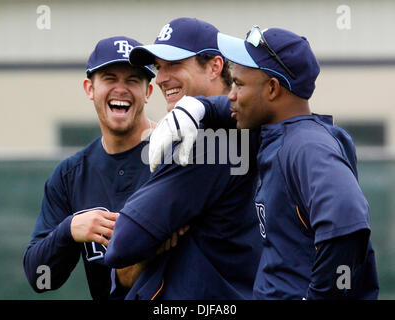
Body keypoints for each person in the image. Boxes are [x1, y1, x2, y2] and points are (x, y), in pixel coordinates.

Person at [147, 26, 380, 299]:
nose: (231, 94)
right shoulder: (281, 133)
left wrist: (328, 294)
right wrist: (198, 106)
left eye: (240, 84)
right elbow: (231, 108)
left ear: (271, 88)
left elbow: (347, 222)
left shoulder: (306, 146)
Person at [103, 17, 263, 300]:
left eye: (174, 63)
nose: (162, 77)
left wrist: (147, 240)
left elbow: (123, 244)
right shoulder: (257, 125)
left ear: (215, 66)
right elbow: (124, 267)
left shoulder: (205, 140)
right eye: (158, 67)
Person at [23, 36, 182, 300]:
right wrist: (70, 229)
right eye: (109, 78)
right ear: (89, 89)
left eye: (133, 80)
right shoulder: (69, 175)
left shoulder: (177, 154)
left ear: (148, 92)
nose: (121, 89)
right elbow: (40, 278)